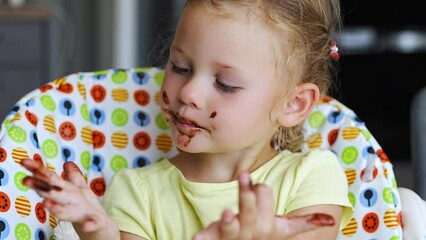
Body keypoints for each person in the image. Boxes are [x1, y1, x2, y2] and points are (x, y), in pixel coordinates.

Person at [21, 0, 353, 239]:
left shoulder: (313, 175)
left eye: (225, 84)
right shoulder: (138, 192)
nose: (189, 92)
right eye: (180, 68)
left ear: (293, 104)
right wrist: (101, 235)